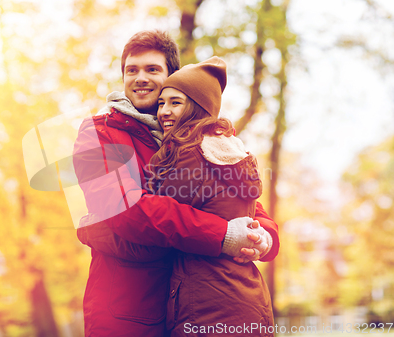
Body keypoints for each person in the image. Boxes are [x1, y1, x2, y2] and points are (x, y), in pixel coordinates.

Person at [73, 30, 279, 337]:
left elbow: (239, 200)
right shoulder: (101, 133)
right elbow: (125, 208)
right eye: (132, 70)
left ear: (171, 76)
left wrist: (264, 235)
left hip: (195, 305)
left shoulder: (197, 139)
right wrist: (222, 234)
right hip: (129, 313)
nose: (140, 78)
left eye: (152, 69)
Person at [148, 56, 273, 336]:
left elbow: (151, 210)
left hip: (207, 304)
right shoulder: (229, 150)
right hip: (248, 296)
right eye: (161, 103)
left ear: (197, 108)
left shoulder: (188, 155)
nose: (163, 112)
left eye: (175, 103)